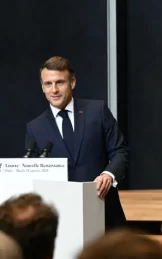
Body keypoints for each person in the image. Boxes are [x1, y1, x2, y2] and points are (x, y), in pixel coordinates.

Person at [24, 56, 128, 229]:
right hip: (61, 219)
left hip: (103, 210)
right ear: (42, 87)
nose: (54, 90)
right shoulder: (35, 127)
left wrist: (108, 175)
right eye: (48, 84)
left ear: (72, 83)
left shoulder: (97, 111)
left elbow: (120, 151)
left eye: (60, 82)